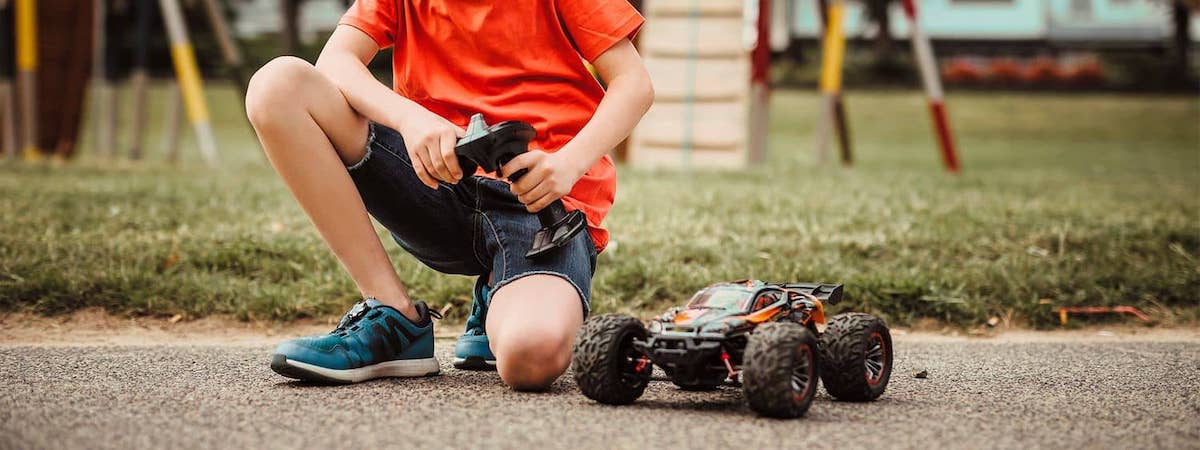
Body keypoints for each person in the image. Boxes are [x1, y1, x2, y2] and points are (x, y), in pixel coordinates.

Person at [244, 0, 652, 391]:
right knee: (278, 85)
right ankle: (394, 316)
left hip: (537, 206)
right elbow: (336, 61)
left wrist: (568, 164)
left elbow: (634, 85)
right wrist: (409, 118)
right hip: (433, 178)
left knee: (531, 357)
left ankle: (499, 292)